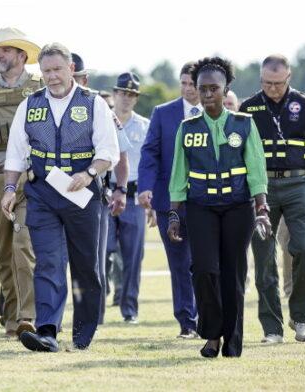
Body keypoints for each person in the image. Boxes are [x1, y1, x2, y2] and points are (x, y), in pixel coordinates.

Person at [2, 43, 119, 352]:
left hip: (81, 193)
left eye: (57, 69)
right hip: (42, 193)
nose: (52, 77)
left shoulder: (93, 104)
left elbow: (109, 152)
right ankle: (47, 331)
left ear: (71, 70)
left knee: (84, 265)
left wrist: (90, 173)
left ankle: (83, 332)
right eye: (46, 71)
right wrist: (10, 189)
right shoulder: (30, 105)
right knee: (49, 262)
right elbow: (15, 153)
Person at [168, 56, 270, 358]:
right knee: (204, 270)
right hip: (201, 208)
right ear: (196, 90)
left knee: (232, 273)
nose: (208, 94)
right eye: (203, 88)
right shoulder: (187, 129)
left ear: (226, 90)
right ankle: (211, 335)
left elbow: (256, 170)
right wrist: (175, 214)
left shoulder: (244, 124)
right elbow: (177, 176)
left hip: (238, 208)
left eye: (214, 88)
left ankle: (232, 341)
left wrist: (261, 208)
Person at [240, 54, 305, 343]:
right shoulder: (247, 108)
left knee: (303, 247)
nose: (272, 88)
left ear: (289, 78)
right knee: (263, 257)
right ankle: (272, 328)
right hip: (261, 189)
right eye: (266, 83)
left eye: (277, 83)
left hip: (299, 183)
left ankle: (301, 319)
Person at [0, 27, 42, 338]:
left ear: (22, 55)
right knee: (4, 252)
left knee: (23, 246)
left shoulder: (42, 88)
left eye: (5, 50)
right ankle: (14, 318)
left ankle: (29, 316)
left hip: (33, 181)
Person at [137, 61, 200, 339]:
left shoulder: (213, 114)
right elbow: (150, 153)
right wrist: (145, 188)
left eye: (192, 84)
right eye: (183, 83)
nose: (188, 89)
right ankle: (187, 322)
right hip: (167, 202)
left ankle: (208, 316)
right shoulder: (163, 114)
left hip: (205, 201)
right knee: (178, 263)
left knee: (204, 263)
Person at [71, 53, 129, 326]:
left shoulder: (99, 106)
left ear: (84, 78)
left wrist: (121, 189)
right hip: (52, 190)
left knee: (94, 258)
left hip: (93, 192)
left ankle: (95, 316)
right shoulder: (44, 103)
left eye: (74, 77)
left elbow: (121, 153)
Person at [107, 72, 150, 324]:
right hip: (104, 193)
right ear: (114, 94)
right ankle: (97, 303)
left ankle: (129, 308)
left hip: (133, 196)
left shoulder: (144, 126)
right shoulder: (102, 120)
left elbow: (149, 164)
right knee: (102, 252)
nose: (126, 98)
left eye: (132, 94)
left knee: (133, 255)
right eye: (122, 93)